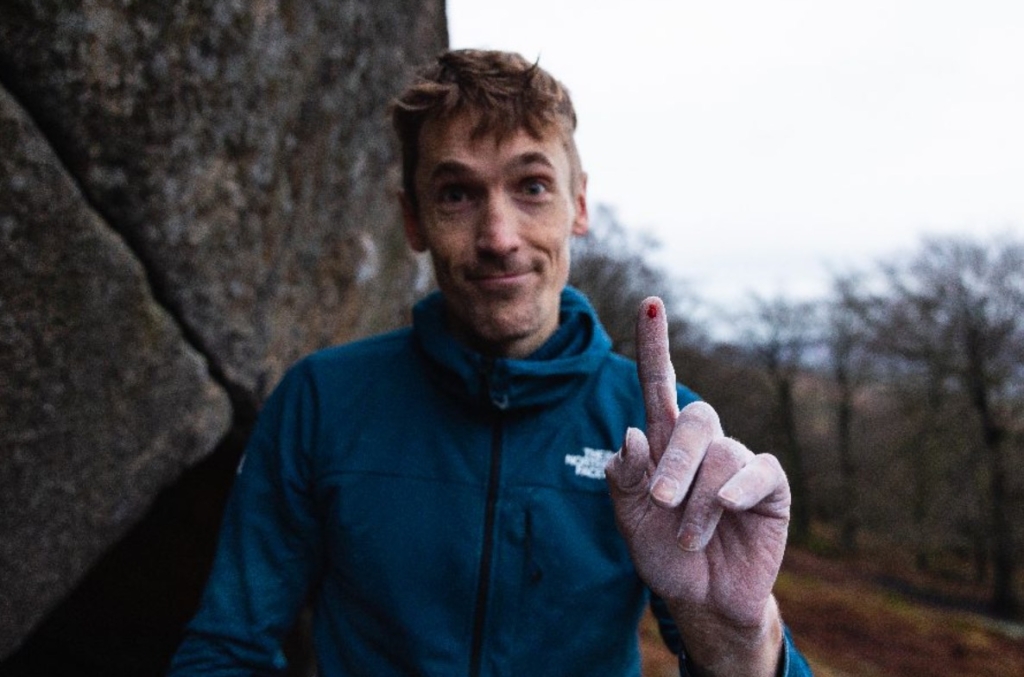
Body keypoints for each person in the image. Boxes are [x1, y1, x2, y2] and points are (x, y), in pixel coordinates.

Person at [169, 49, 812, 676]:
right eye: (456, 194)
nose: (499, 237)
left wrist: (742, 645)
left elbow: (735, 645)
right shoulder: (320, 401)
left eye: (532, 187)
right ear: (413, 219)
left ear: (578, 204)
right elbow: (224, 650)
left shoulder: (661, 425)